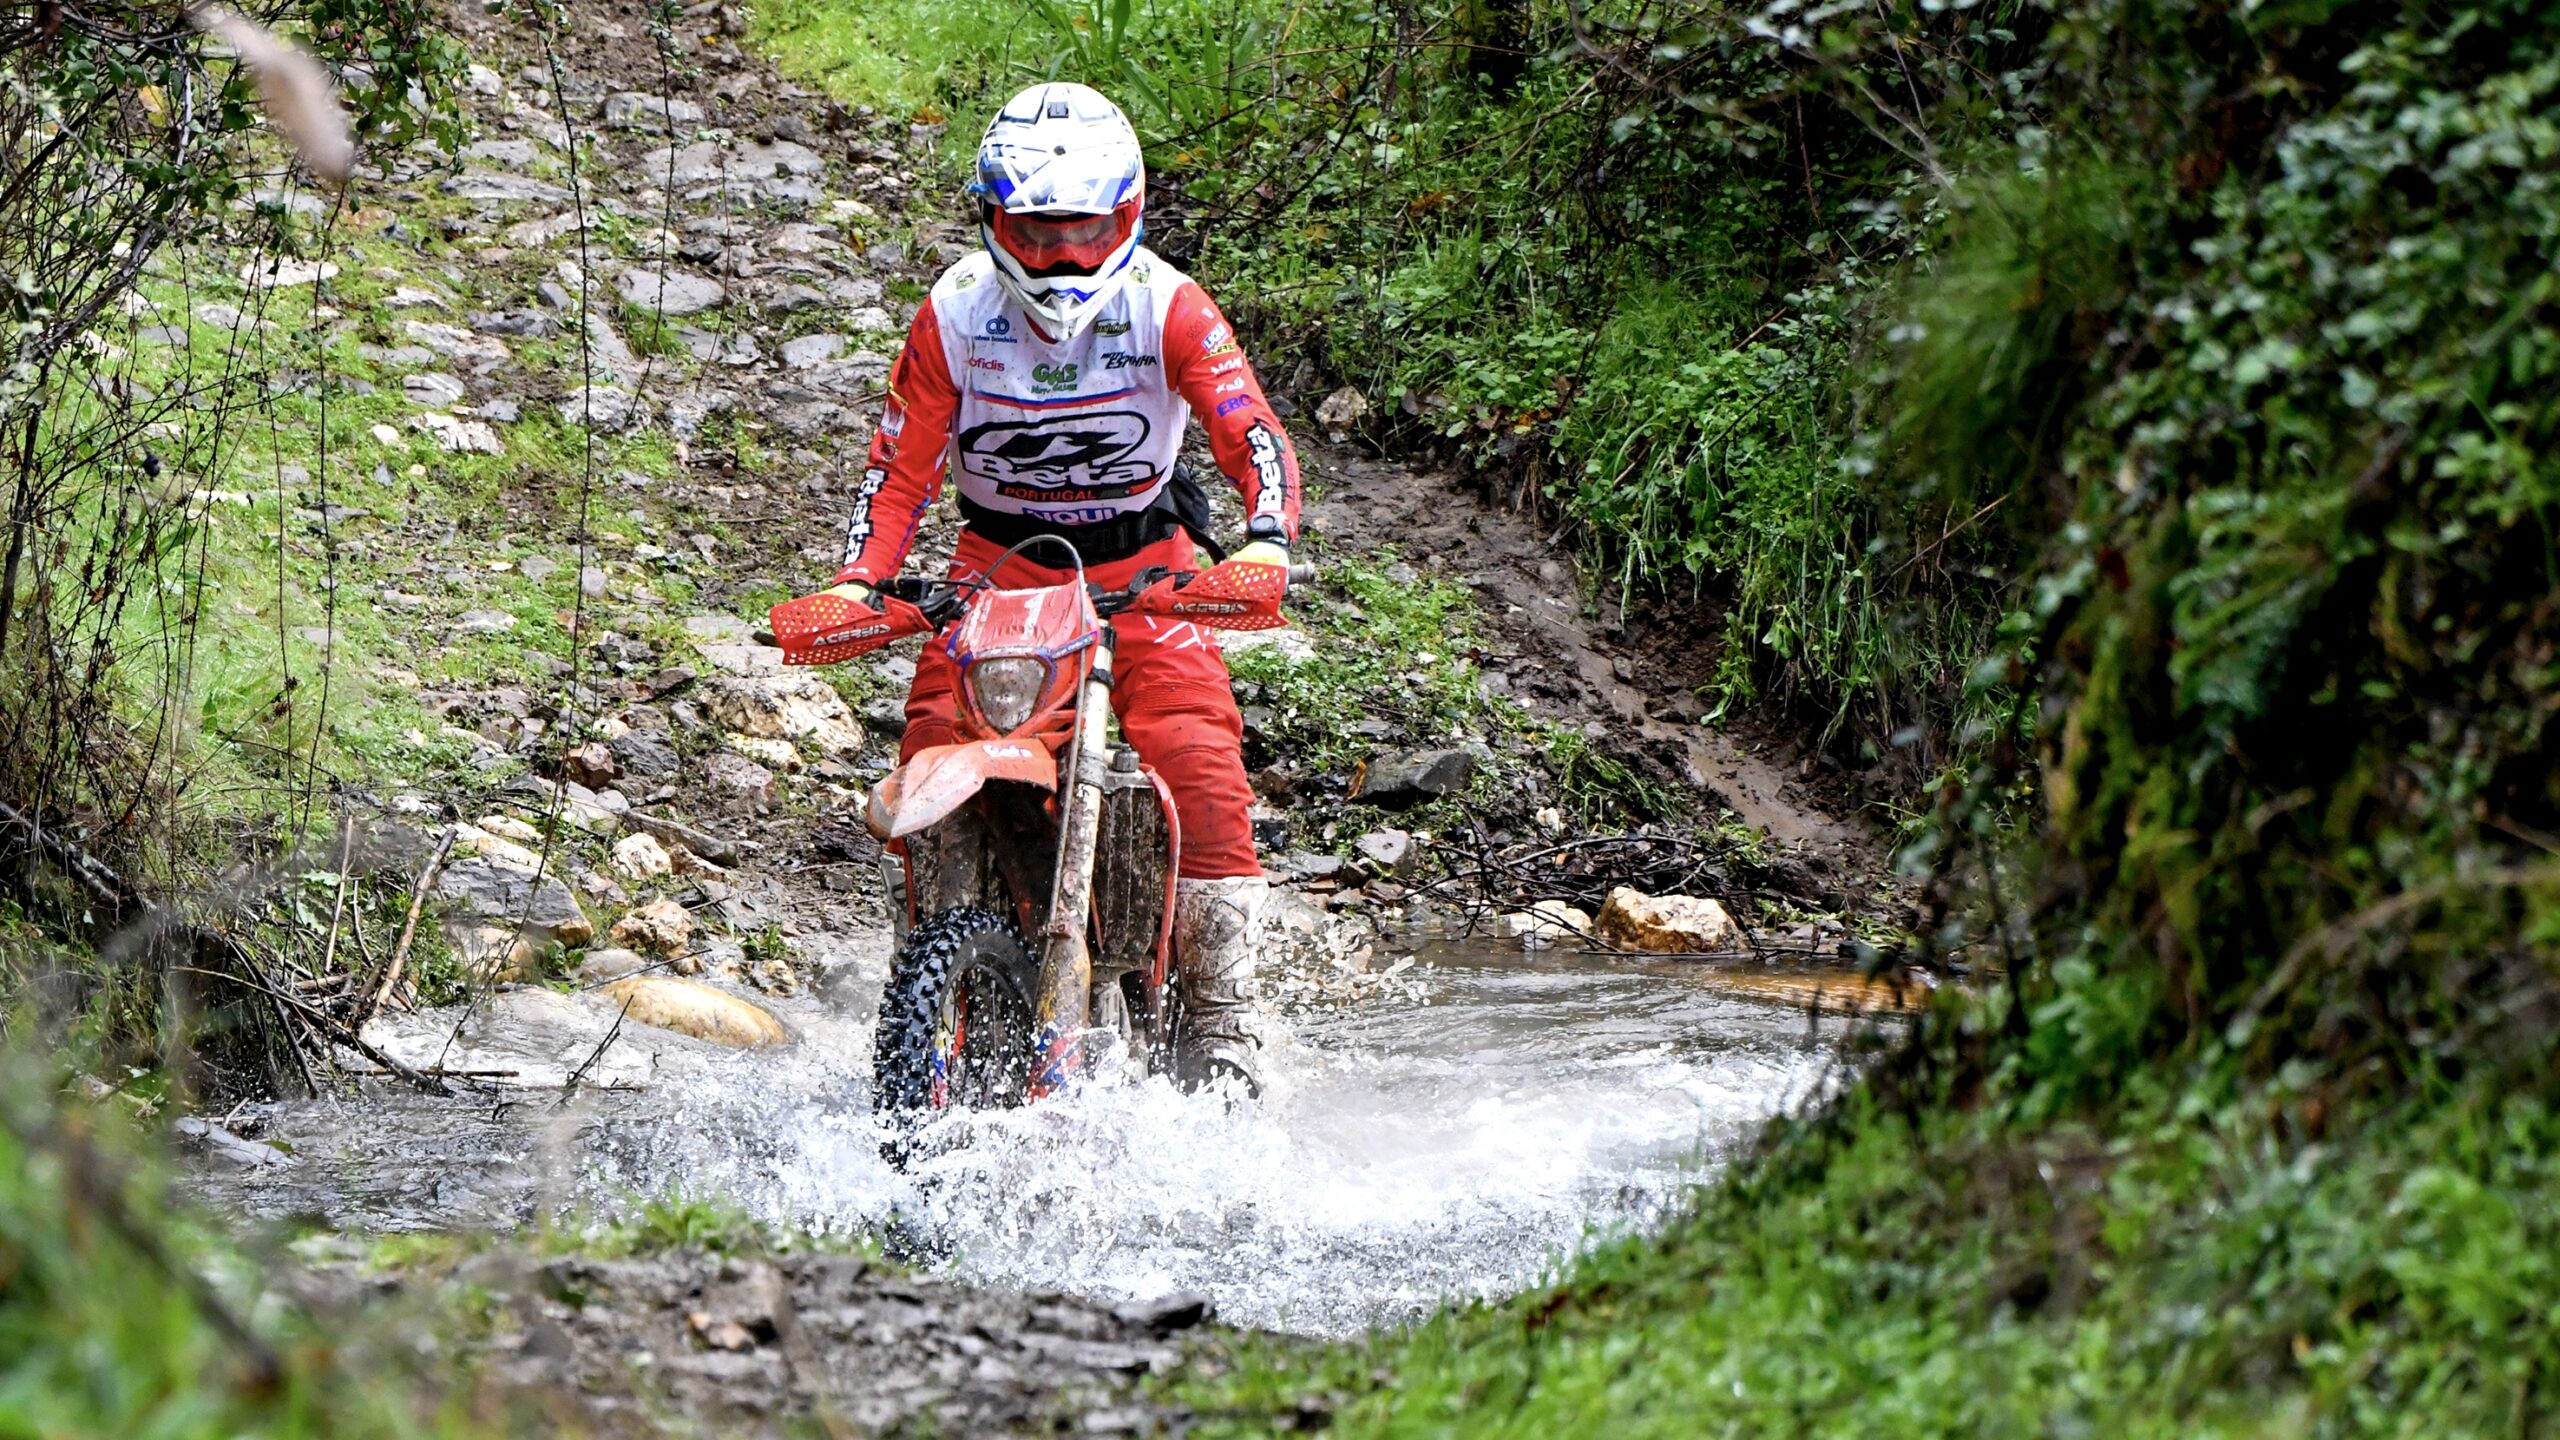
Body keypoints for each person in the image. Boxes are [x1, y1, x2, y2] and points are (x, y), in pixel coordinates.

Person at [821, 81, 1302, 1091]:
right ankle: (935, 1013)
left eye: (1086, 227)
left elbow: (1247, 427)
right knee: (928, 742)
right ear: (995, 220)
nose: (1064, 255)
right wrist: (860, 580)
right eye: (1038, 232)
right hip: (995, 564)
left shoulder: (1168, 304)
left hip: (1149, 566)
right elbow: (898, 464)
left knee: (1195, 755)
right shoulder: (953, 314)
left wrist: (1264, 541)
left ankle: (1223, 1020)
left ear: (1126, 215)